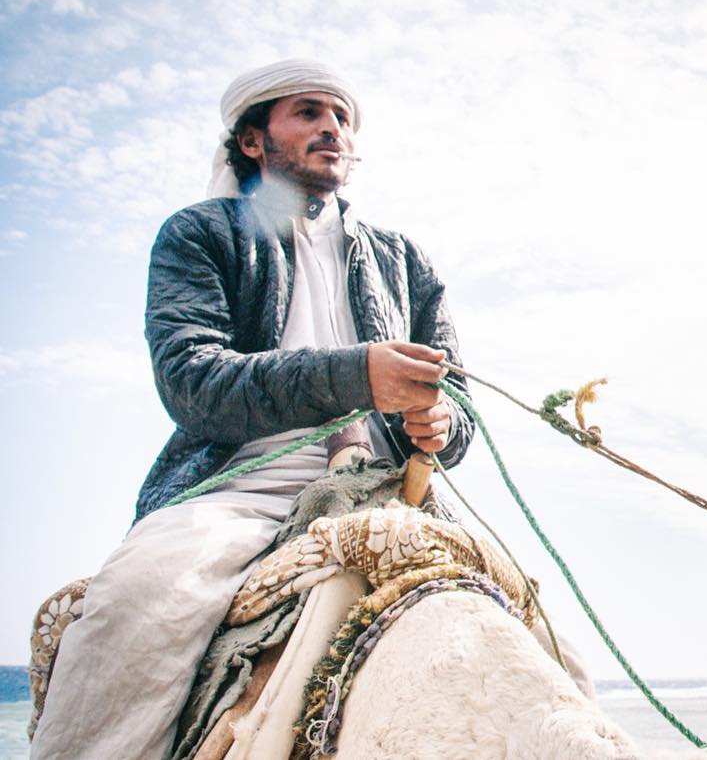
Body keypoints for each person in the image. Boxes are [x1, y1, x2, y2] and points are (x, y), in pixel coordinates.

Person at [31, 59, 477, 760]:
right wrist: (357, 374)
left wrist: (443, 425)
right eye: (309, 112)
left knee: (548, 647)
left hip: (395, 491)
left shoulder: (406, 261)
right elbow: (191, 381)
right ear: (251, 140)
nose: (332, 127)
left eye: (342, 117)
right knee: (134, 608)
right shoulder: (199, 234)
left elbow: (459, 401)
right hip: (237, 489)